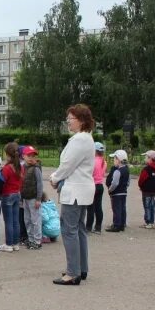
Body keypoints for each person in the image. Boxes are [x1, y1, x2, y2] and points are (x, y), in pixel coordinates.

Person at [49, 104, 95, 286]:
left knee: (69, 230)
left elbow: (68, 165)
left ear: (81, 120)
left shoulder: (79, 140)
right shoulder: (87, 138)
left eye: (71, 118)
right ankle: (81, 268)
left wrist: (54, 177)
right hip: (82, 189)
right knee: (79, 229)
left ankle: (72, 272)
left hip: (75, 190)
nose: (68, 121)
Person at [0, 142, 22, 252]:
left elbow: (2, 182)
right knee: (15, 220)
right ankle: (15, 243)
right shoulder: (20, 167)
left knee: (8, 220)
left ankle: (8, 244)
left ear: (7, 154)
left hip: (7, 195)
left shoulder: (7, 168)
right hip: (17, 194)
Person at [20, 145, 44, 250]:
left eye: (33, 156)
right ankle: (30, 239)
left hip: (34, 198)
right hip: (25, 198)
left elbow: (40, 184)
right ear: (23, 156)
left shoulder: (36, 168)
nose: (31, 158)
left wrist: (39, 199)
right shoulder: (22, 167)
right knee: (27, 219)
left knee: (35, 220)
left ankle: (37, 240)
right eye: (28, 155)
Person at [105, 150, 129, 233]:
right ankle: (122, 224)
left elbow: (114, 183)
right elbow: (128, 181)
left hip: (116, 193)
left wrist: (110, 189)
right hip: (123, 192)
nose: (113, 161)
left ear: (118, 160)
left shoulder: (117, 171)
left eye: (114, 159)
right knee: (122, 208)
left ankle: (116, 225)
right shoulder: (126, 170)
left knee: (116, 209)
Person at [85, 142, 107, 234]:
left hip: (92, 186)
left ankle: (88, 228)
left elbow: (89, 174)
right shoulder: (103, 161)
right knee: (98, 207)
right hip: (100, 185)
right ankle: (98, 227)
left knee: (90, 208)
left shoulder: (92, 161)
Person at [137, 150, 155, 229]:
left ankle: (148, 222)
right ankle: (152, 222)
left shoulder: (146, 169)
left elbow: (141, 180)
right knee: (152, 206)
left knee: (147, 206)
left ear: (150, 158)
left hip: (146, 191)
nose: (145, 158)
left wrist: (141, 187)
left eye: (146, 157)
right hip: (154, 191)